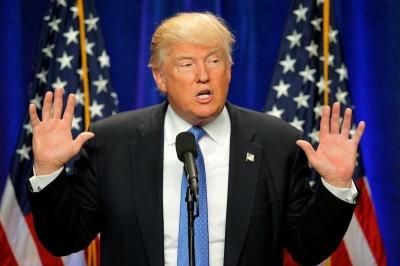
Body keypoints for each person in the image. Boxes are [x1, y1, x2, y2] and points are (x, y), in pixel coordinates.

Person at [28, 12, 365, 266]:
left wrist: (335, 186)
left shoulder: (277, 143)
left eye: (214, 61)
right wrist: (48, 171)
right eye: (187, 64)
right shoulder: (111, 143)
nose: (203, 75)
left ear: (229, 70)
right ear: (160, 78)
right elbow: (64, 239)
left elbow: (308, 249)